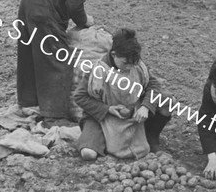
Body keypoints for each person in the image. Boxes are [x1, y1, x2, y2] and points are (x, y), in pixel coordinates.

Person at [16, 0, 119, 119]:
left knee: (30, 56)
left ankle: (28, 102)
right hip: (44, 11)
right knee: (59, 60)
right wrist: (85, 21)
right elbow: (74, 4)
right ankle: (54, 116)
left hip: (28, 6)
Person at [73, 29, 172, 160]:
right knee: (88, 153)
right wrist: (108, 109)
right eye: (126, 63)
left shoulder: (137, 64)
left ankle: (150, 137)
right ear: (114, 54)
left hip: (132, 113)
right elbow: (79, 97)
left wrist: (146, 107)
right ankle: (103, 140)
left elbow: (153, 85)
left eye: (133, 63)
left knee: (167, 100)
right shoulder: (98, 71)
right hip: (102, 117)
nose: (130, 67)